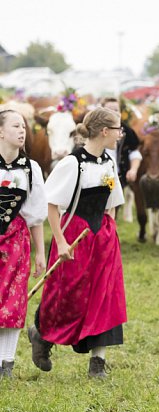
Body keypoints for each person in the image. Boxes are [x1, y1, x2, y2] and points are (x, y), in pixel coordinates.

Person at [28, 108, 127, 380]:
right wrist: (60, 242)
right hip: (74, 236)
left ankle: (98, 363)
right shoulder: (73, 163)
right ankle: (41, 335)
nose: (121, 134)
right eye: (118, 129)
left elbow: (112, 203)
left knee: (104, 296)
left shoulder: (109, 162)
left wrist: (110, 232)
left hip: (103, 237)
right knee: (68, 294)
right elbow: (51, 204)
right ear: (104, 131)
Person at [0, 110, 47, 378]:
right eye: (16, 125)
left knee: (13, 301)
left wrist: (41, 252)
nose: (22, 131)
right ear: (1, 131)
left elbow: (36, 214)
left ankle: (6, 362)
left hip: (16, 240)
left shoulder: (31, 168)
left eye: (24, 127)